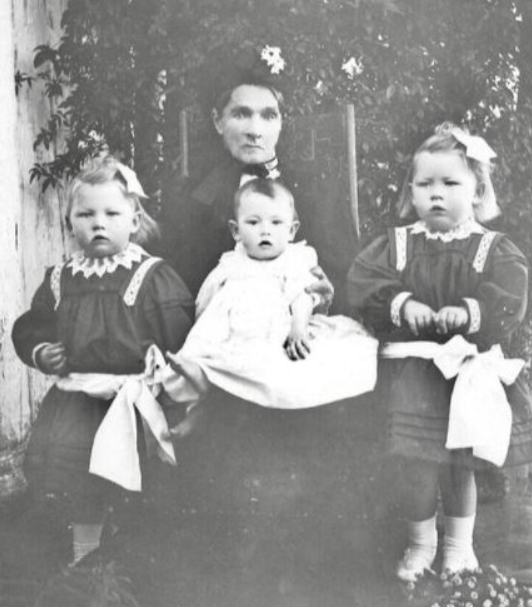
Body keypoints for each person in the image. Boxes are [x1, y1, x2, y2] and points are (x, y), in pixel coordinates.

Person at [348, 122, 532, 582]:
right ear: (411, 191)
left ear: (476, 189)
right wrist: (402, 303)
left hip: (465, 375)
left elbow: (512, 291)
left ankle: (458, 546)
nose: (437, 194)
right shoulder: (398, 245)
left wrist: (471, 311)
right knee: (415, 463)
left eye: (450, 183)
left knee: (459, 466)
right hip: (416, 376)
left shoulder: (490, 248)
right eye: (425, 184)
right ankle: (420, 542)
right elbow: (362, 280)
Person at [11, 157, 194, 565]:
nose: (99, 223)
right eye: (86, 214)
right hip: (76, 406)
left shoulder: (151, 275)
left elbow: (178, 342)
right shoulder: (61, 279)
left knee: (135, 487)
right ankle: (84, 563)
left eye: (112, 213)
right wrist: (42, 350)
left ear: (134, 220)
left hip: (130, 406)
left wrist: (176, 397)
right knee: (77, 485)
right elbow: (34, 324)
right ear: (69, 223)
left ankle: (131, 565)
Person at [163, 178, 377, 434]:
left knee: (275, 367)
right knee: (204, 348)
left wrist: (298, 327)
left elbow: (303, 295)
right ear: (236, 231)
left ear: (291, 229)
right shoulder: (232, 262)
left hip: (275, 330)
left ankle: (204, 398)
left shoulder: (296, 258)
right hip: (234, 327)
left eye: (276, 223)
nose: (265, 231)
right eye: (253, 223)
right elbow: (209, 296)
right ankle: (197, 393)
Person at [160, 43, 357, 313]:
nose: (255, 131)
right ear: (218, 121)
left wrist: (330, 293)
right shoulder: (191, 196)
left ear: (280, 123)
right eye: (241, 114)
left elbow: (349, 277)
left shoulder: (318, 191)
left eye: (268, 115)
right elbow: (178, 291)